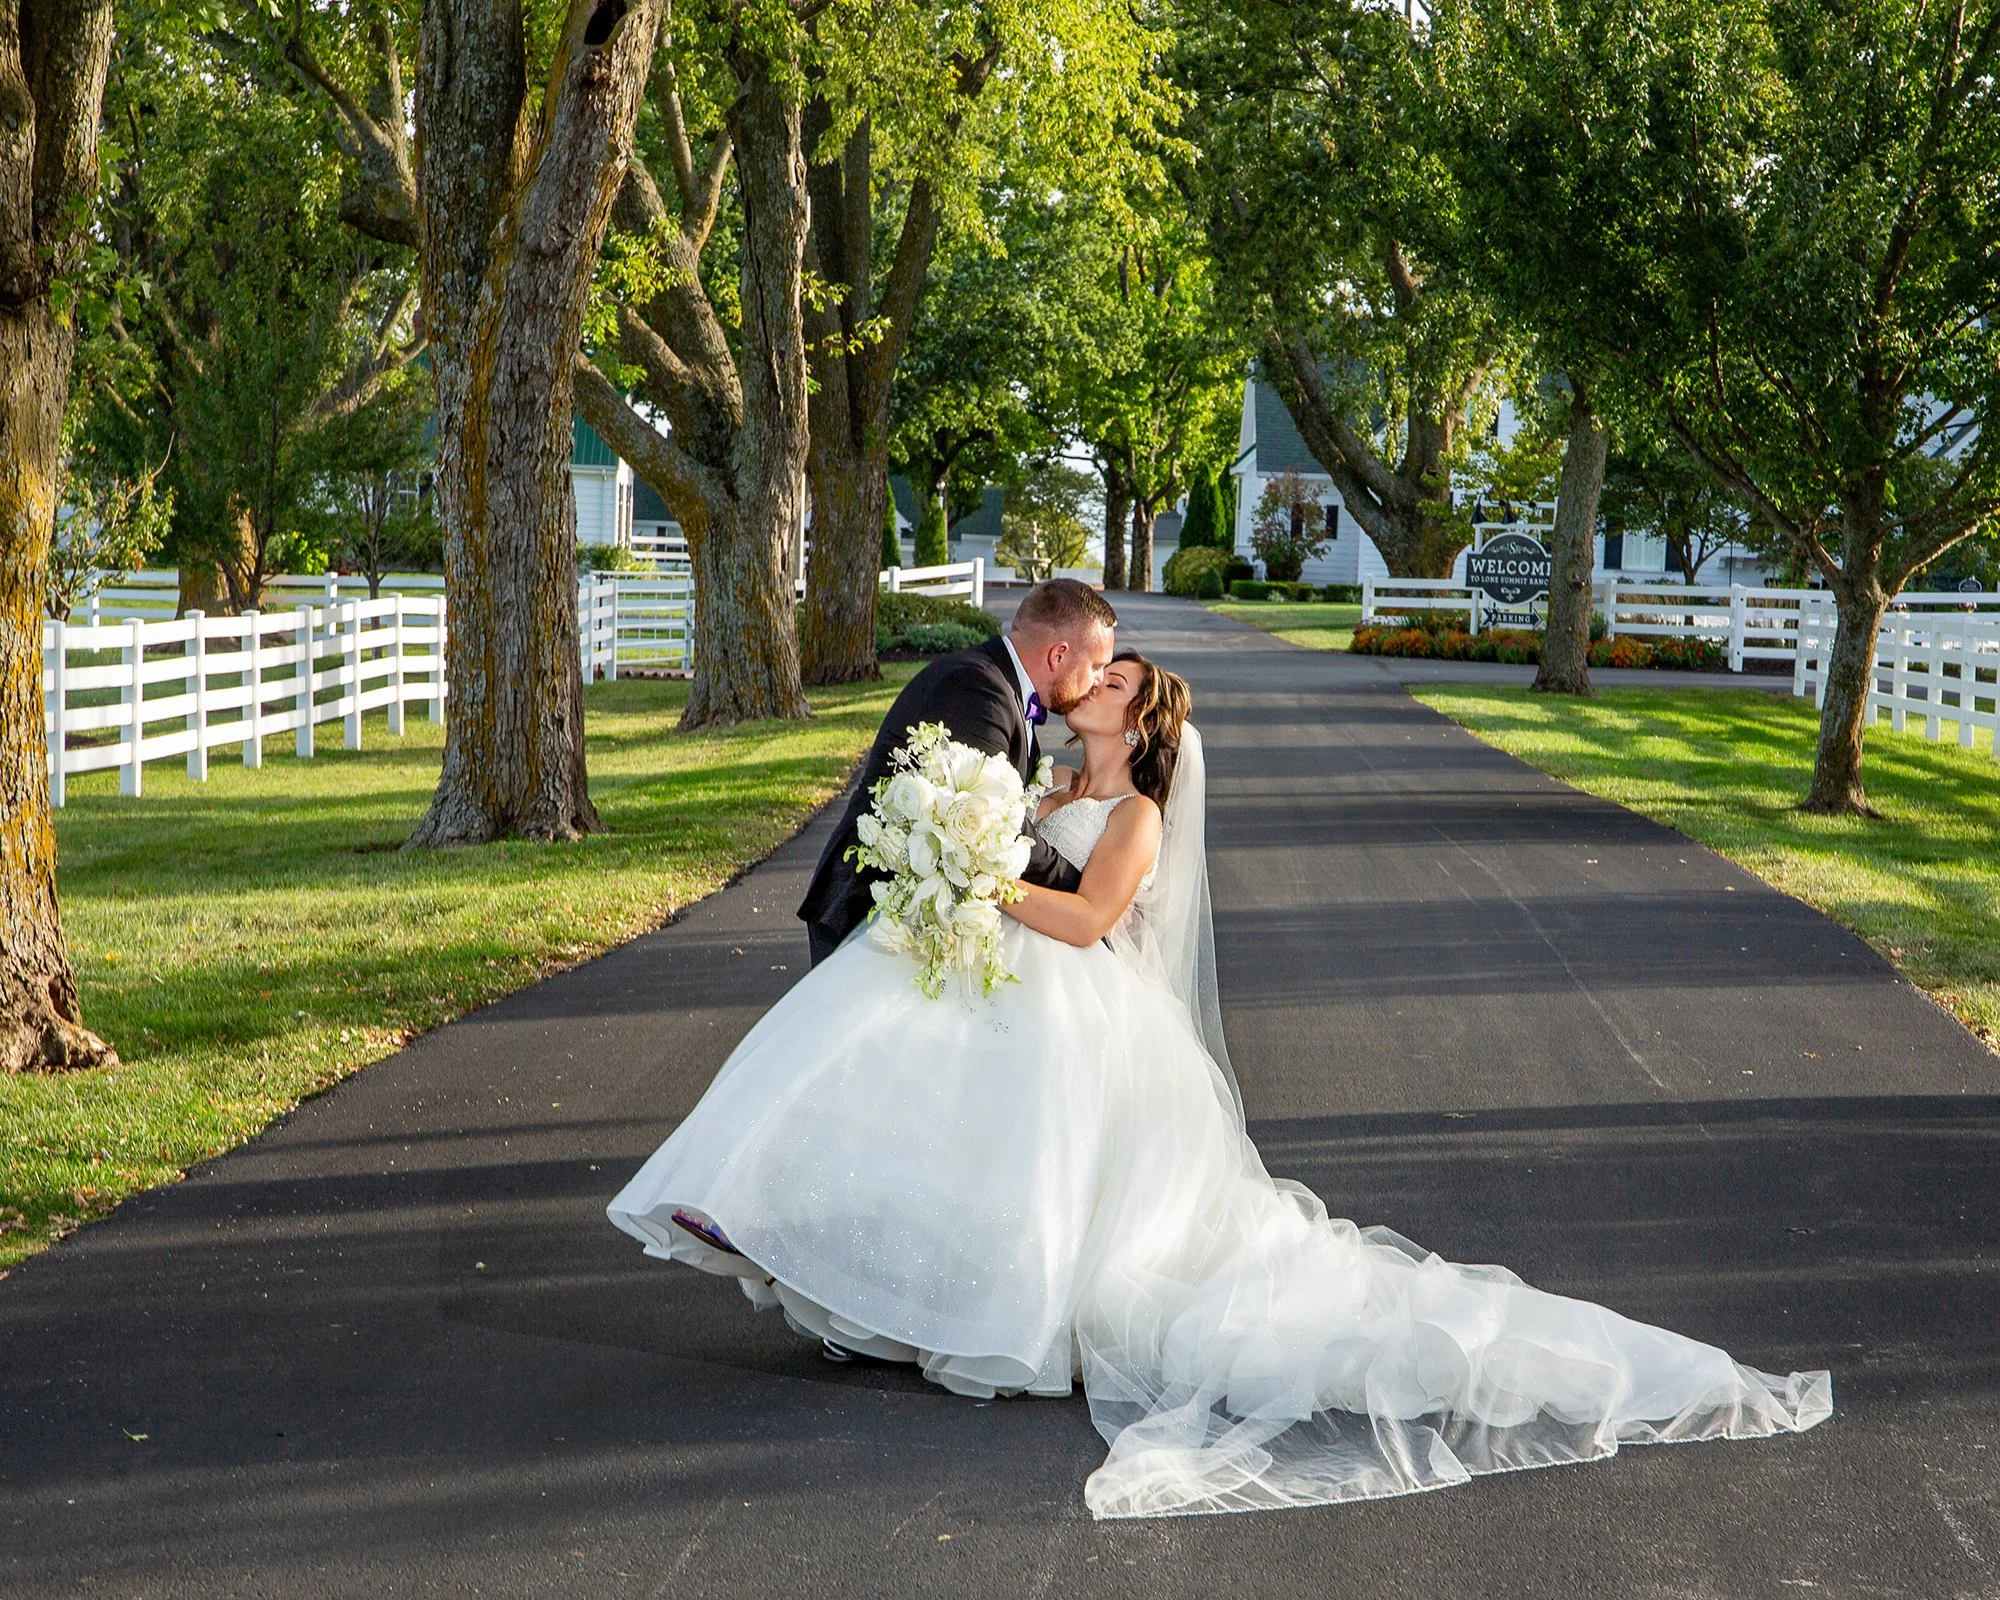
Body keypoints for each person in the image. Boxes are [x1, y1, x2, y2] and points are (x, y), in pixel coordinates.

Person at [609, 652, 1832, 1519]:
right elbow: (1019, 859)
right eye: (1095, 671)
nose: (1094, 682)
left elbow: (1088, 921)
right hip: (1007, 995)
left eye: (1118, 681)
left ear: (1142, 722)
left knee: (1062, 1184)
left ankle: (1008, 1313)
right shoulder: (1041, 783)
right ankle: (863, 1274)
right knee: (938, 1125)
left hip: (1081, 1008)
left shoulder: (1134, 812)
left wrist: (973, 880)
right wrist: (968, 859)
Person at [796, 578, 1119, 966]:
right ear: (1059, 655)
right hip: (871, 910)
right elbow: (997, 830)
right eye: (1097, 666)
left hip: (913, 910)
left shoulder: (996, 686)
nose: (1099, 680)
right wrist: (1087, 890)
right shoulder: (979, 690)